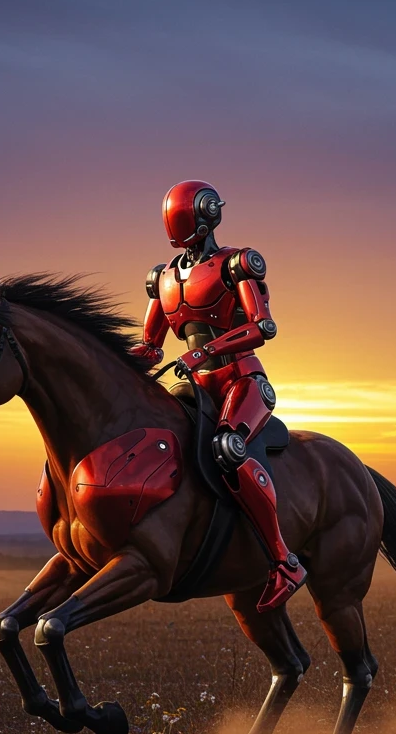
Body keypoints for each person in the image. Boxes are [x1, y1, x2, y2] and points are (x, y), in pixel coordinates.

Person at [130, 180, 307, 610]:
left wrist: (206, 350)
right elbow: (151, 346)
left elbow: (262, 327)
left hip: (241, 380)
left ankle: (283, 561)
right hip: (192, 385)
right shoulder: (164, 277)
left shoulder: (237, 265)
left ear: (205, 216)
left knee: (229, 445)